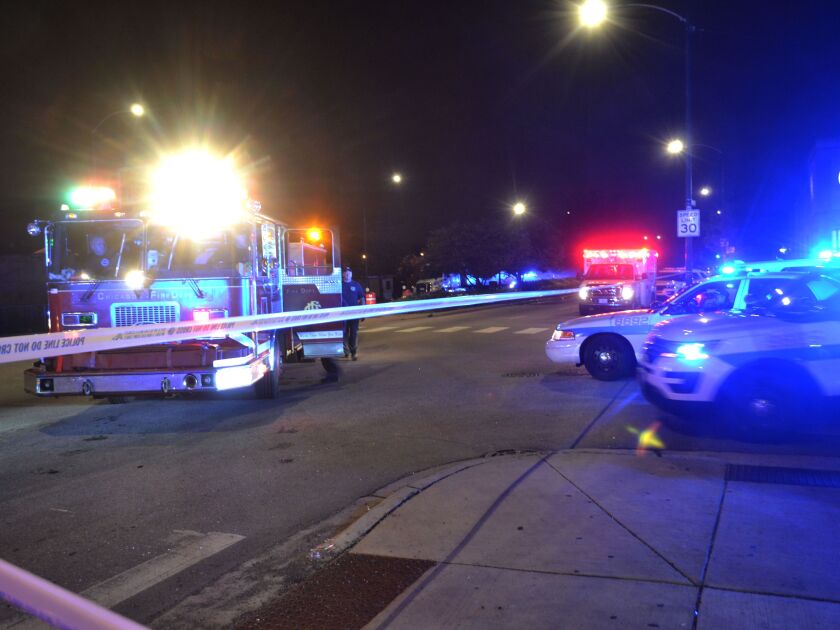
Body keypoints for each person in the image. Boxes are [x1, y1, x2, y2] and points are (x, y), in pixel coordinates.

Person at [342, 266, 364, 360]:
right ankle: (346, 351)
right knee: (344, 333)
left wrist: (363, 312)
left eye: (349, 272)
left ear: (351, 274)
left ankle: (354, 352)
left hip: (354, 314)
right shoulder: (339, 285)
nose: (347, 274)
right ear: (342, 274)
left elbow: (362, 298)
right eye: (345, 272)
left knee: (353, 333)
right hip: (342, 315)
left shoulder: (356, 285)